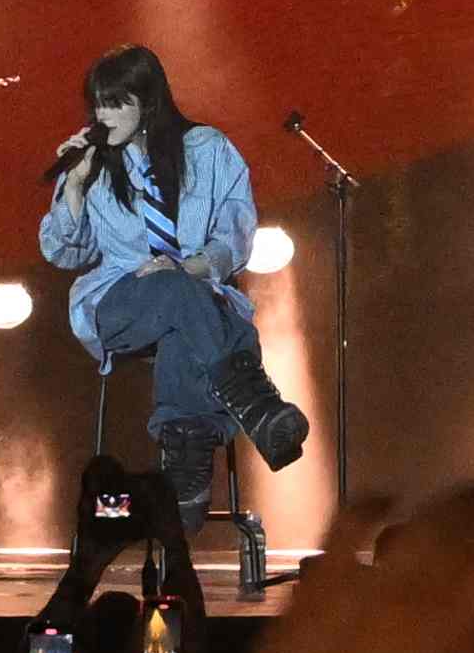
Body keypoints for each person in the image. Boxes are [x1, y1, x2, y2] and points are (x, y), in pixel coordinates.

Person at [39, 44, 313, 479]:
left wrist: (191, 269)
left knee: (184, 323)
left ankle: (184, 480)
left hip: (195, 295)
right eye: (97, 105)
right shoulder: (92, 168)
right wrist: (73, 186)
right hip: (119, 302)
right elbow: (63, 251)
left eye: (115, 103)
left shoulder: (208, 150)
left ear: (147, 103)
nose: (102, 116)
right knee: (186, 300)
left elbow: (234, 235)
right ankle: (257, 406)